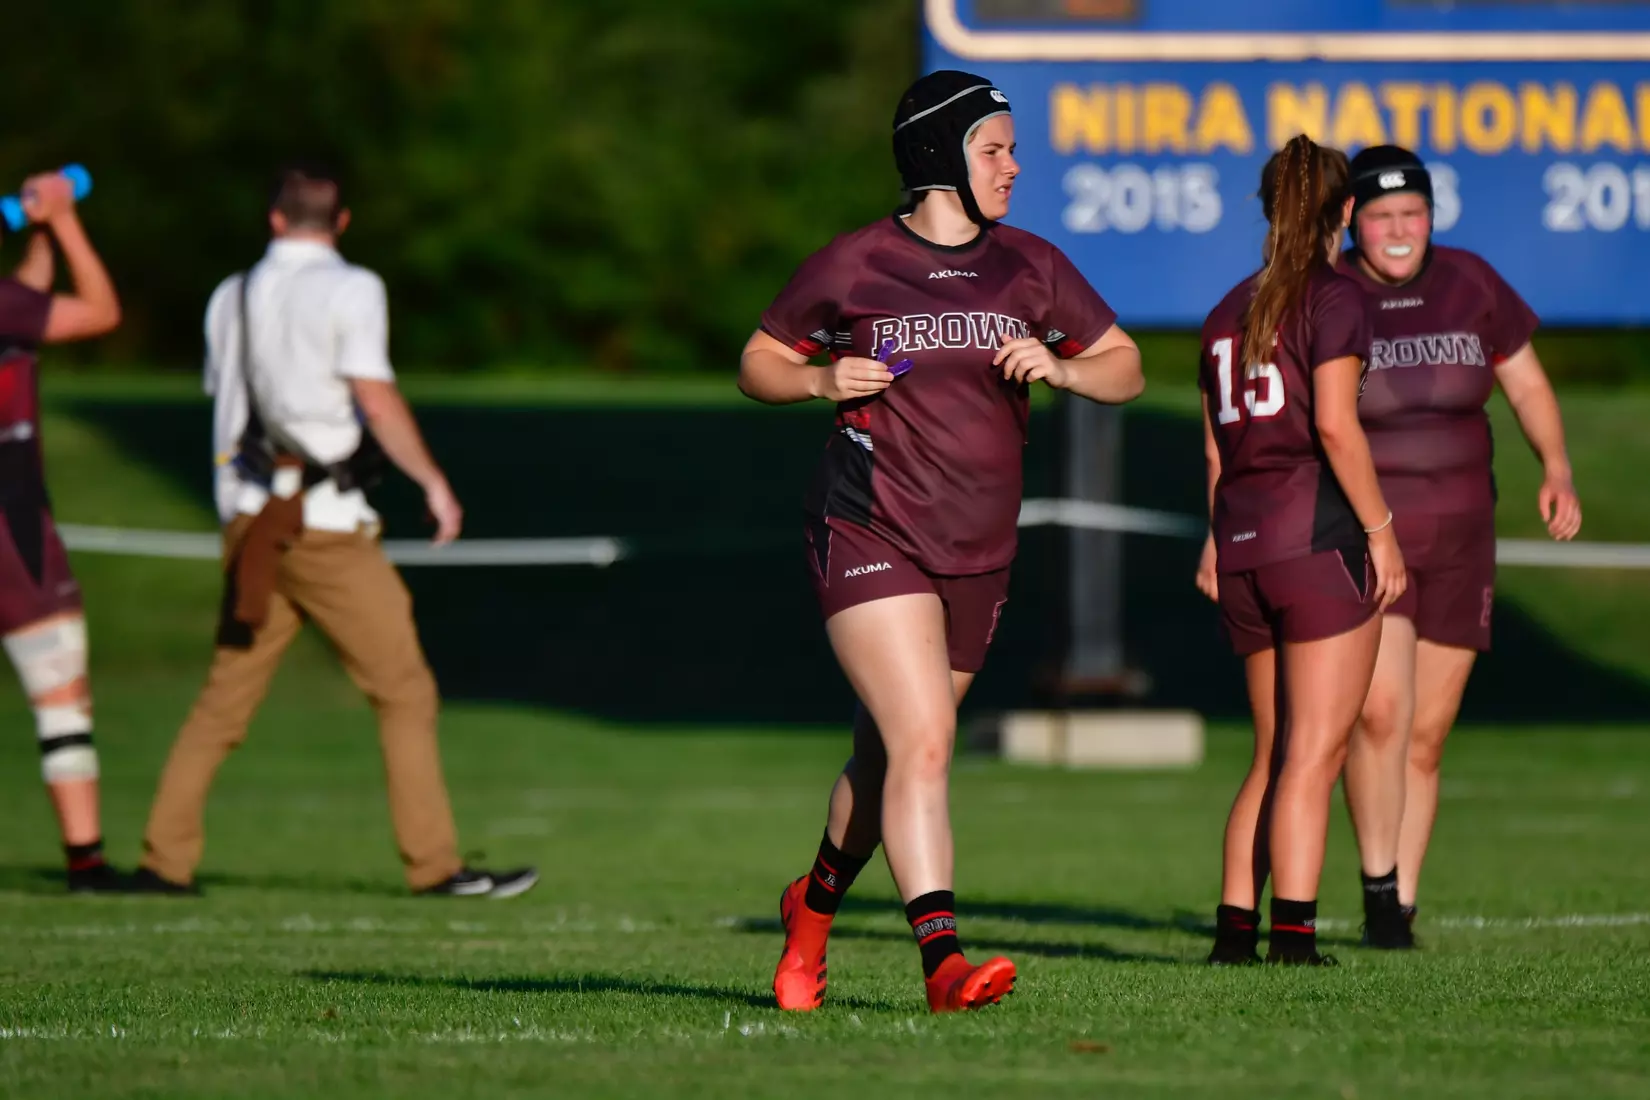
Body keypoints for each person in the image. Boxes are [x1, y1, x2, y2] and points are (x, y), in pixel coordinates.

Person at [740, 71, 1144, 1012]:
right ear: (936, 157)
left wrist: (1066, 370)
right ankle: (944, 964)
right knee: (925, 740)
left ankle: (810, 910)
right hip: (867, 524)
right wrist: (819, 382)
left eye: (1011, 148)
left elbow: (1123, 364)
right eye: (994, 148)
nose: (1014, 165)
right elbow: (759, 361)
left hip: (979, 549)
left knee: (885, 762)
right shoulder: (855, 263)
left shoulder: (1032, 265)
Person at [130, 164, 536, 899]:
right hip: (322, 528)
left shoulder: (230, 296)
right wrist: (434, 483)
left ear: (275, 218)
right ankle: (435, 865)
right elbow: (374, 399)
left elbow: (228, 405)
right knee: (405, 691)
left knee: (224, 701)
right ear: (341, 221)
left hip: (252, 522)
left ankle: (163, 860)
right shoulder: (353, 288)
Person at [1334, 145, 1581, 946]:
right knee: (1381, 714)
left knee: (1428, 736)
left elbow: (1528, 382)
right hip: (1376, 543)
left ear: (1432, 216)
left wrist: (1557, 466)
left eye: (1413, 214)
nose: (1399, 231)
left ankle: (1401, 902)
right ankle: (1377, 893)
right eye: (1381, 217)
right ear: (1354, 223)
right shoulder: (1332, 295)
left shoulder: (1471, 281)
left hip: (1465, 537)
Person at [1195, 134, 1405, 966]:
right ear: (1345, 212)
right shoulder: (1335, 297)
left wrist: (1217, 541)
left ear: (1265, 207)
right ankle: (1293, 939)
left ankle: (1234, 934)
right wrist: (1383, 534)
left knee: (1274, 754)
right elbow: (1333, 426)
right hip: (1312, 543)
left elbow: (1216, 446)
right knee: (1315, 756)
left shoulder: (1225, 310)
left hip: (1244, 542)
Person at [0, 171, 124, 891]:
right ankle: (87, 860)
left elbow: (29, 299)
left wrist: (38, 226)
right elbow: (101, 311)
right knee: (59, 692)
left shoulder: (12, 304)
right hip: (13, 530)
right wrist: (69, 220)